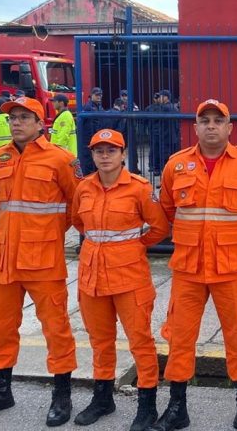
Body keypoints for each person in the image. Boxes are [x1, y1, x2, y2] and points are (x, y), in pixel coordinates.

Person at [153, 99, 237, 431]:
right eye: (204, 120)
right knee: (180, 337)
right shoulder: (176, 165)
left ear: (229, 128)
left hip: (231, 267)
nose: (210, 125)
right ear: (195, 128)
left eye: (217, 120)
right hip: (188, 268)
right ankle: (177, 409)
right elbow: (166, 207)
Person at [0, 97, 81, 427]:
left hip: (43, 259)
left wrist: (50, 234)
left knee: (56, 328)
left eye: (24, 117)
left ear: (39, 122)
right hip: (4, 259)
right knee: (0, 328)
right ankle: (1, 390)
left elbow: (77, 203)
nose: (16, 122)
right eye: (13, 117)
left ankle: (62, 394)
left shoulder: (61, 160)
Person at [72, 129, 169, 430]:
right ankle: (102, 398)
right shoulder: (84, 188)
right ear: (92, 155)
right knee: (100, 342)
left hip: (129, 277)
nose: (104, 156)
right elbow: (78, 221)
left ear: (123, 154)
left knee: (140, 341)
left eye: (111, 150)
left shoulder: (139, 188)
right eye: (98, 151)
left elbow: (159, 226)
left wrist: (134, 246)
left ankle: (147, 405)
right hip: (92, 278)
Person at [80, 87, 105, 176]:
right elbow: (84, 125)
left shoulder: (99, 106)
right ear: (92, 95)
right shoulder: (88, 107)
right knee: (89, 162)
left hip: (96, 138)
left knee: (94, 161)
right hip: (88, 139)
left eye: (100, 95)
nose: (99, 97)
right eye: (97, 95)